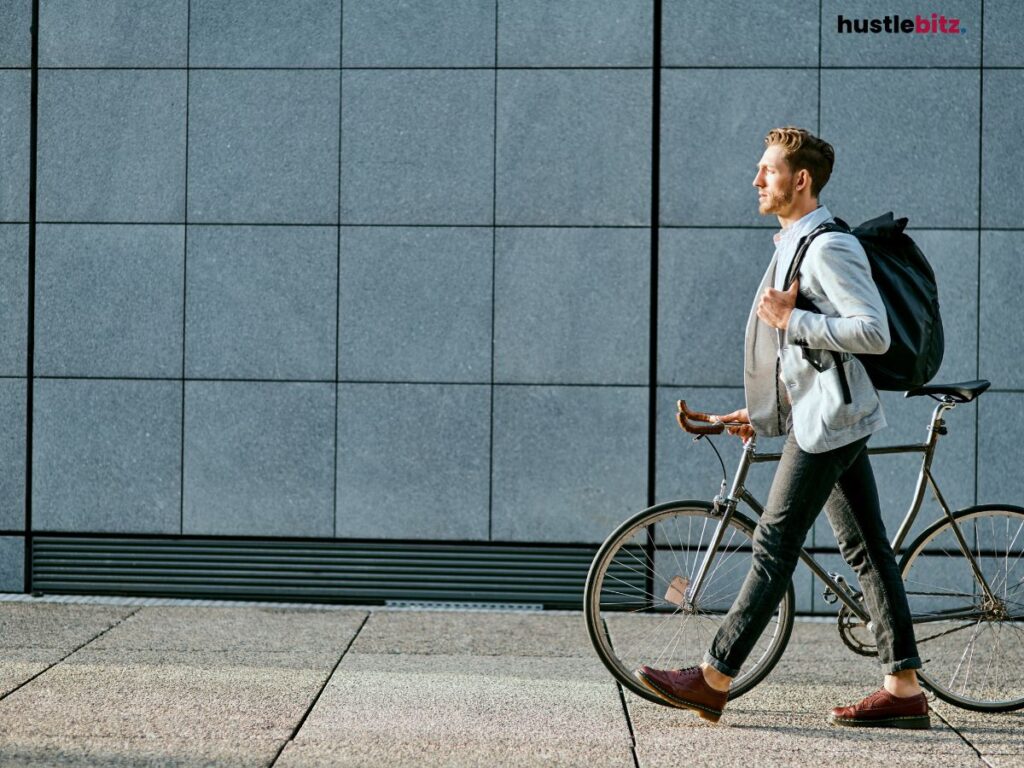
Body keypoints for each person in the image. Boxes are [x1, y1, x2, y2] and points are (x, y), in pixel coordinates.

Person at [635, 127, 929, 730]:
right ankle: (902, 689)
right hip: (822, 414)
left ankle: (715, 677)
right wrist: (767, 412)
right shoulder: (792, 243)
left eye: (766, 170)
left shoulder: (827, 247)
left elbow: (872, 333)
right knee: (868, 550)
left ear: (801, 180)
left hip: (829, 425)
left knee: (773, 545)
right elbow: (801, 358)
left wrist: (793, 319)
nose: (756, 180)